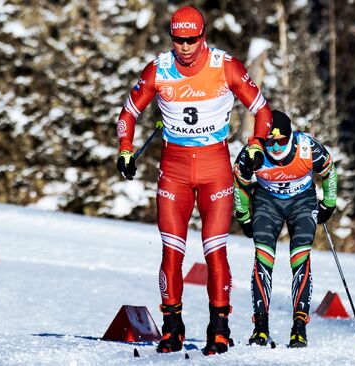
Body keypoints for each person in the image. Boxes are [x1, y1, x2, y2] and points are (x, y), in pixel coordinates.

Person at [115, 6, 272, 355]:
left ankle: (220, 327)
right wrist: (126, 147)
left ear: (203, 36)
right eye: (178, 39)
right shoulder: (159, 68)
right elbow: (128, 112)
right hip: (175, 170)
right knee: (172, 252)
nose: (185, 46)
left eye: (192, 39)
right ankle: (172, 327)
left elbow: (262, 110)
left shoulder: (225, 65)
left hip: (216, 169)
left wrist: (256, 144)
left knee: (214, 250)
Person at [233, 110, 338, 348]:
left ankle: (299, 328)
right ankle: (260, 328)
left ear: (290, 136)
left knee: (300, 258)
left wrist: (329, 203)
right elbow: (239, 182)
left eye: (281, 141)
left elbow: (329, 172)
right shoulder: (253, 151)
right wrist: (243, 215)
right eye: (271, 141)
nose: (277, 147)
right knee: (263, 258)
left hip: (302, 201)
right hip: (267, 201)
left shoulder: (307, 146)